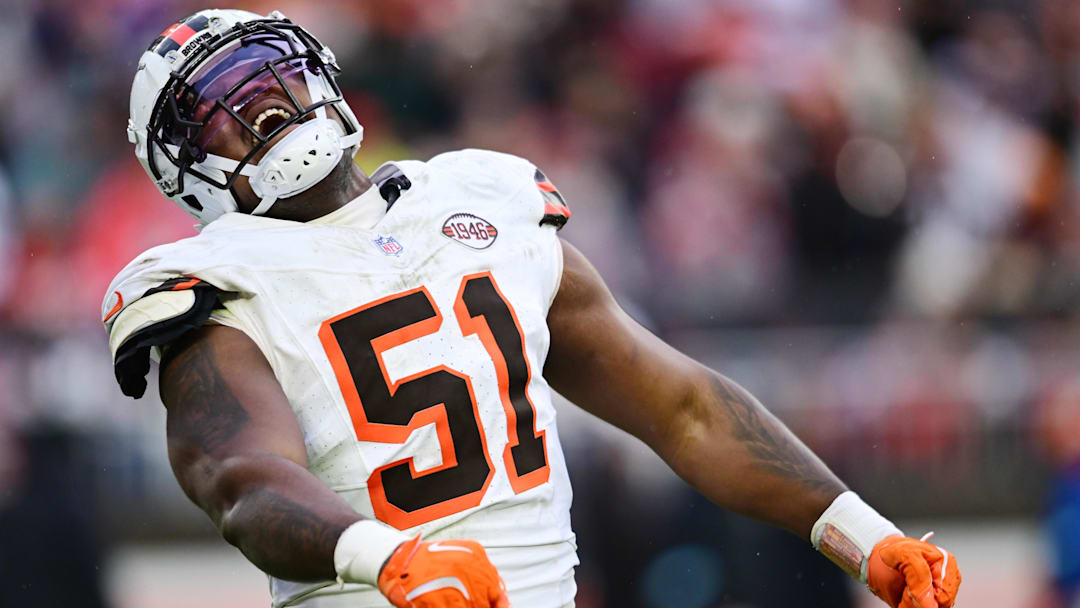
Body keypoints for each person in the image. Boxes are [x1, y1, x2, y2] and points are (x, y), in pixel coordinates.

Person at [103, 9, 961, 608]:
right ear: (186, 172)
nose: (262, 106)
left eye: (271, 75)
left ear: (321, 71)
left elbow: (683, 408)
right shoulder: (213, 280)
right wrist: (387, 558)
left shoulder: (481, 199)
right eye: (217, 113)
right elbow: (241, 479)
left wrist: (862, 535)